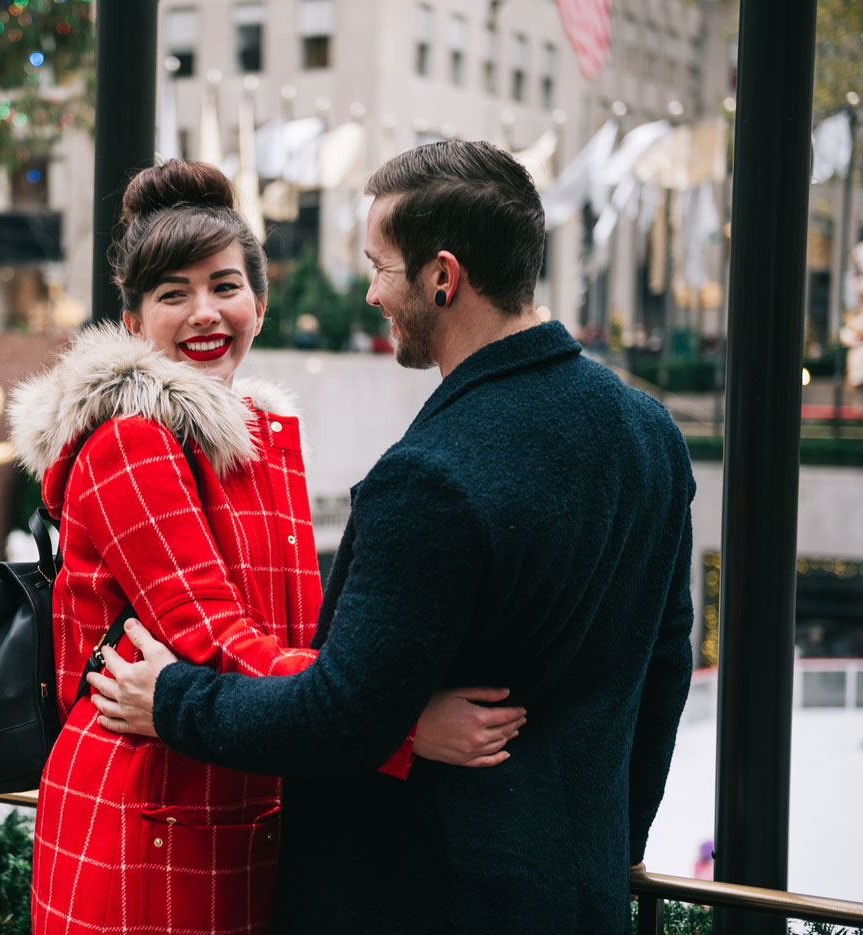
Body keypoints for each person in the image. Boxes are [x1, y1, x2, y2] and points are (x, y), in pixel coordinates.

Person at [89, 141, 697, 934]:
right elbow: (665, 661)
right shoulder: (650, 432)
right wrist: (616, 845)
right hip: (580, 896)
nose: (373, 292)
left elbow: (342, 717)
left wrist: (171, 698)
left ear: (442, 276)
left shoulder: (430, 477)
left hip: (421, 897)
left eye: (381, 266)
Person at [5, 159, 527, 935]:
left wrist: (356, 703)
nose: (203, 313)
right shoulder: (129, 441)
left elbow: (306, 633)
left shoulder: (264, 436)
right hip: (144, 805)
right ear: (134, 320)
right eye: (171, 294)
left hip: (241, 782)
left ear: (260, 298)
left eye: (223, 285)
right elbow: (210, 640)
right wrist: (399, 723)